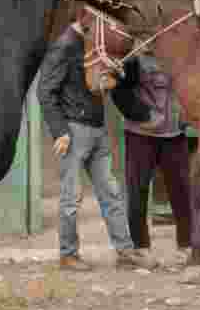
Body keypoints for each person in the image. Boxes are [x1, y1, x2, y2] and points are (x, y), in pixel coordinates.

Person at [37, 19, 157, 271]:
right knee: (71, 198)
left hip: (97, 128)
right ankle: (68, 255)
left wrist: (117, 73)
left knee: (111, 193)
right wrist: (59, 131)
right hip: (73, 131)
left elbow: (98, 81)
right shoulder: (64, 47)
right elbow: (45, 91)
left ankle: (125, 252)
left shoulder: (94, 43)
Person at [121, 54, 191, 256]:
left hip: (174, 132)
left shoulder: (177, 52)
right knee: (137, 189)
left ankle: (186, 244)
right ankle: (140, 246)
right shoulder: (133, 57)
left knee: (181, 189)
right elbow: (121, 92)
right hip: (140, 133)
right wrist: (142, 114)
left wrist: (186, 116)